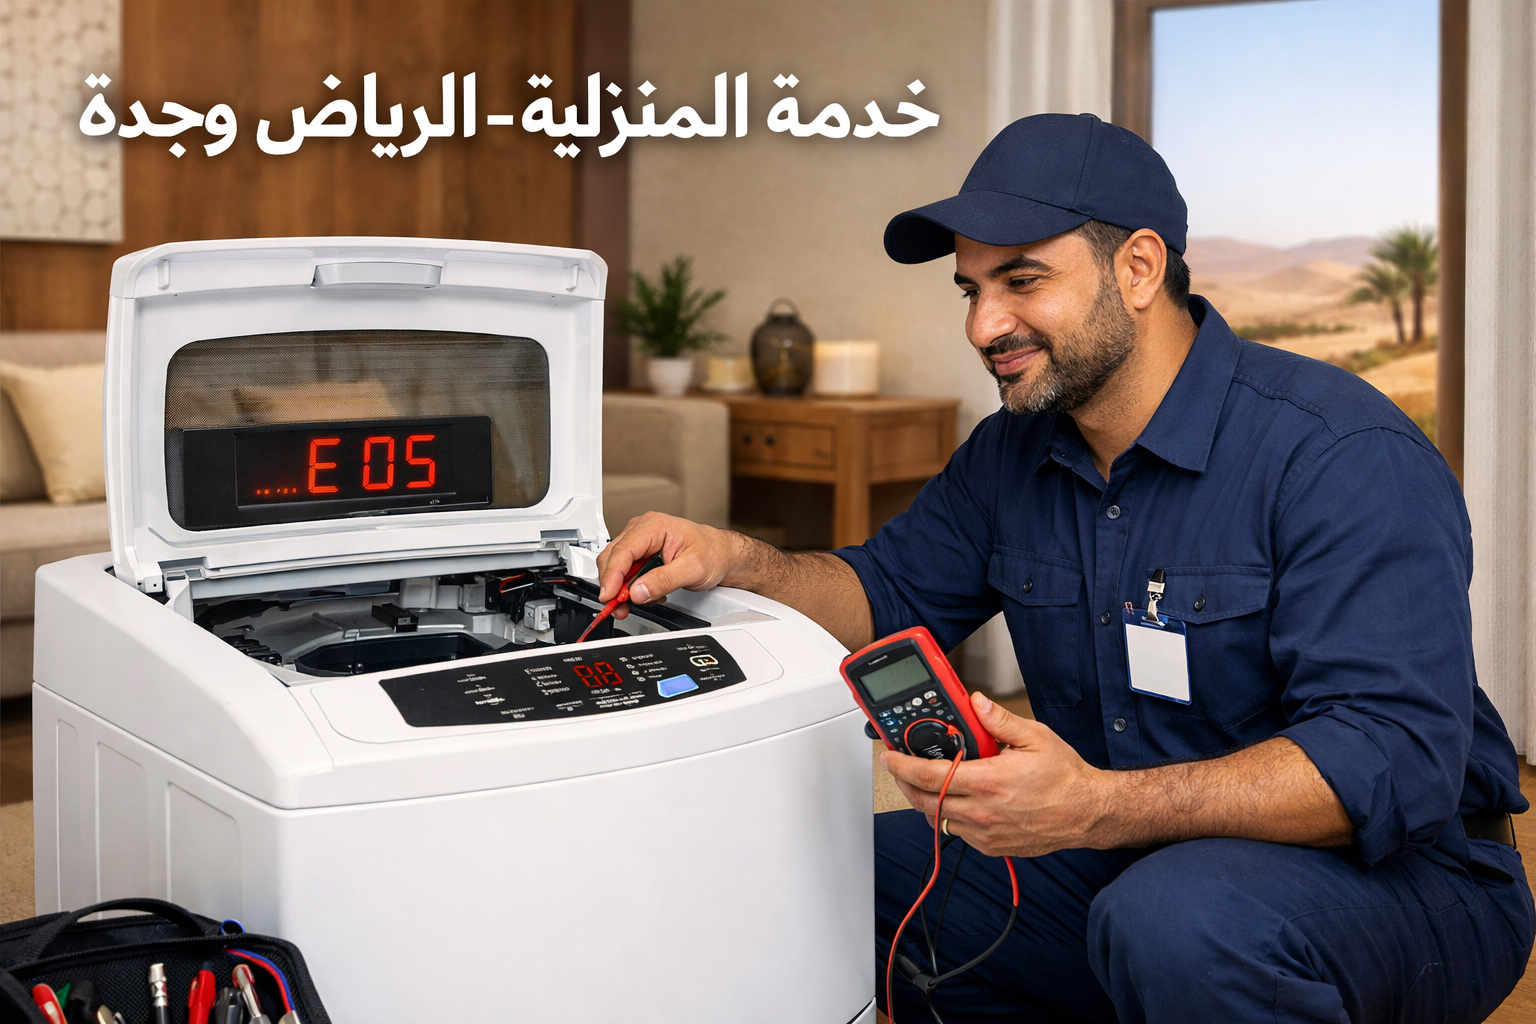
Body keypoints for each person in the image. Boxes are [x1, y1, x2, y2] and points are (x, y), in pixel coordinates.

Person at [595, 113, 1534, 1022]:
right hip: (1135, 857)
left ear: (1138, 268)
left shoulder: (1340, 453)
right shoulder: (1011, 454)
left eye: (1022, 280)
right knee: (855, 865)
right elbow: (881, 595)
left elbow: (1392, 761)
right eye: (970, 290)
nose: (983, 325)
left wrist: (1094, 809)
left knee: (1175, 920)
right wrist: (740, 559)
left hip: (1405, 881)